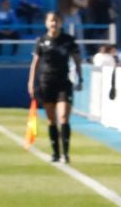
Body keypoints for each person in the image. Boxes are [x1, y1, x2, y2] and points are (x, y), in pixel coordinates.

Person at [30, 11, 83, 164]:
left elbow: (77, 60)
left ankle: (65, 153)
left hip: (63, 82)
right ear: (47, 23)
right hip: (46, 82)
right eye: (51, 21)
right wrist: (31, 83)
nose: (54, 23)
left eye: (57, 20)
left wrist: (80, 77)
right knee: (51, 120)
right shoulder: (41, 41)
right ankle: (55, 153)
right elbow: (35, 63)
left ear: (61, 22)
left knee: (63, 117)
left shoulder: (68, 40)